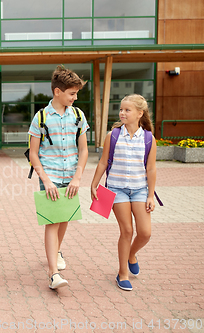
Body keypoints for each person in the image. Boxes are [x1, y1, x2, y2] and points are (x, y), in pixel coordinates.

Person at [28, 66, 89, 290]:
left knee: (64, 220)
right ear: (57, 92)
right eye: (72, 93)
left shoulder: (78, 116)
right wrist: (46, 181)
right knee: (52, 223)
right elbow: (34, 153)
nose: (75, 97)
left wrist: (77, 178)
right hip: (50, 177)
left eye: (76, 94)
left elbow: (83, 150)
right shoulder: (41, 117)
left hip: (71, 178)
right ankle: (53, 274)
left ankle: (56, 251)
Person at [90, 94, 156, 291]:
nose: (122, 113)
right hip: (117, 189)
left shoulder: (148, 138)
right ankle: (122, 273)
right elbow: (103, 162)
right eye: (121, 109)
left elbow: (151, 169)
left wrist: (150, 195)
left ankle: (131, 254)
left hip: (139, 190)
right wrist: (94, 184)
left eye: (127, 110)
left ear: (139, 113)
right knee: (127, 231)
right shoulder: (114, 135)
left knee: (145, 233)